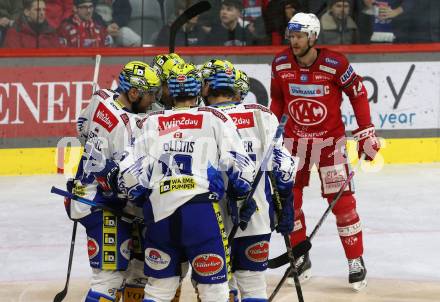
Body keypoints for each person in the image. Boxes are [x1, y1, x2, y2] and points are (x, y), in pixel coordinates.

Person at [104, 62, 257, 302]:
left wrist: (142, 196)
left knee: (158, 288)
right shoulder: (214, 117)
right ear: (199, 92)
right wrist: (239, 193)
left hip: (160, 214)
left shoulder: (150, 122)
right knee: (214, 290)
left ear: (170, 92)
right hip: (201, 213)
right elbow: (242, 169)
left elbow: (129, 175)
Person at [270, 12, 380, 291]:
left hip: (330, 145)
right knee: (289, 204)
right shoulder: (280, 63)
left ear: (313, 36)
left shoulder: (335, 63)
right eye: (290, 35)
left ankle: (355, 261)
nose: (293, 41)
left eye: (299, 36)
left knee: (343, 206)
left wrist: (365, 131)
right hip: (294, 144)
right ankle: (300, 257)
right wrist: (270, 135)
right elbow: (278, 100)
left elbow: (358, 92)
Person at [65, 61, 161, 301]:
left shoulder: (101, 97)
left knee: (119, 274)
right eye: (150, 94)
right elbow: (126, 181)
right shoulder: (126, 127)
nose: (153, 100)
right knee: (108, 279)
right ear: (134, 92)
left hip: (83, 191)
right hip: (102, 205)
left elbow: (81, 129)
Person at [201, 61, 296, 302]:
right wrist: (286, 205)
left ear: (207, 89)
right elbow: (283, 168)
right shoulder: (262, 114)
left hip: (212, 219)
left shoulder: (202, 117)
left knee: (218, 287)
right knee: (254, 287)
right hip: (257, 218)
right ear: (236, 90)